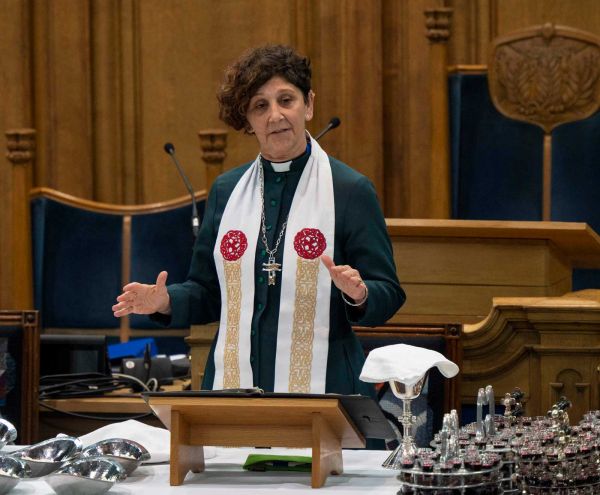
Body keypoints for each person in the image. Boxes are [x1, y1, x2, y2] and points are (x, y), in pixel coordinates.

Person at [113, 44, 405, 397]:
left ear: (308, 104)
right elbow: (207, 292)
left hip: (328, 391)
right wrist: (165, 301)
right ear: (248, 121)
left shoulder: (350, 190)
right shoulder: (226, 190)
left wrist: (360, 294)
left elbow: (389, 292)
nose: (275, 115)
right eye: (260, 106)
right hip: (234, 391)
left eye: (287, 100)